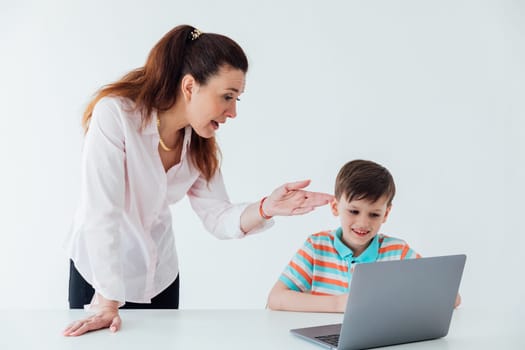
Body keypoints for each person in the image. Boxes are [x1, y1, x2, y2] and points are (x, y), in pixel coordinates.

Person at [62, 25, 333, 337]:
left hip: (159, 277)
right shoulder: (115, 115)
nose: (232, 112)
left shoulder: (199, 143)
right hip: (99, 278)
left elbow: (218, 216)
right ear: (190, 86)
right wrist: (108, 301)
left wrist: (266, 207)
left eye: (237, 99)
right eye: (227, 97)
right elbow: (101, 212)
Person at [267, 159, 461, 312]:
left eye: (374, 214)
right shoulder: (316, 247)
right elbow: (275, 298)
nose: (363, 223)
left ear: (385, 214)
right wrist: (339, 304)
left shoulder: (398, 252)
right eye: (353, 211)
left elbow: (452, 297)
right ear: (335, 207)